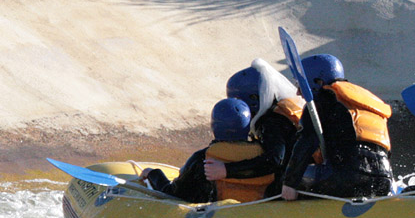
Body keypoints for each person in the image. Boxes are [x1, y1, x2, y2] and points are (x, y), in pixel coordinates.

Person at [281, 54, 394, 200]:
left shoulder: (317, 103)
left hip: (345, 180)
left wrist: (290, 183)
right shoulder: (365, 103)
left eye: (300, 85)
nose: (298, 92)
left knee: (292, 179)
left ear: (317, 82)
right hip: (383, 181)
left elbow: (307, 142)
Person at [140, 98, 274, 203]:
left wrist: (153, 174)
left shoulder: (202, 159)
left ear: (214, 127)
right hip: (257, 216)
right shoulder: (265, 156)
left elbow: (173, 194)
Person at [215, 58, 304, 196]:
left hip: (288, 187)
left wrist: (227, 170)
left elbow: (274, 160)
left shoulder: (272, 122)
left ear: (253, 99)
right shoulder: (278, 111)